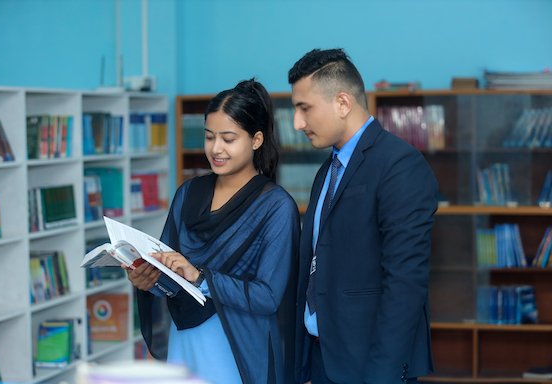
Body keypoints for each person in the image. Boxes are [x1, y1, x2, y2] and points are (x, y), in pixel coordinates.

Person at [125, 78, 300, 384]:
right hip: (184, 337)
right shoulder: (188, 193)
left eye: (228, 139)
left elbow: (269, 296)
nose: (216, 149)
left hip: (237, 344)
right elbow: (168, 268)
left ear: (256, 140)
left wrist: (202, 278)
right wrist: (147, 279)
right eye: (209, 137)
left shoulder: (276, 206)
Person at [288, 48, 438, 384]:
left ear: (342, 103)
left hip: (371, 368)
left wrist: (382, 376)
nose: (297, 123)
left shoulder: (400, 166)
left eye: (304, 108)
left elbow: (405, 285)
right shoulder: (327, 170)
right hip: (321, 360)